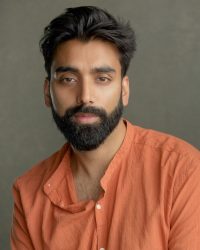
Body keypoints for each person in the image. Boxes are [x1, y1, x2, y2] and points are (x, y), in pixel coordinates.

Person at [11, 6, 200, 250]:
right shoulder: (28, 194)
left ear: (124, 90)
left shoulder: (183, 171)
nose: (85, 97)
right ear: (47, 92)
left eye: (102, 79)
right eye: (69, 79)